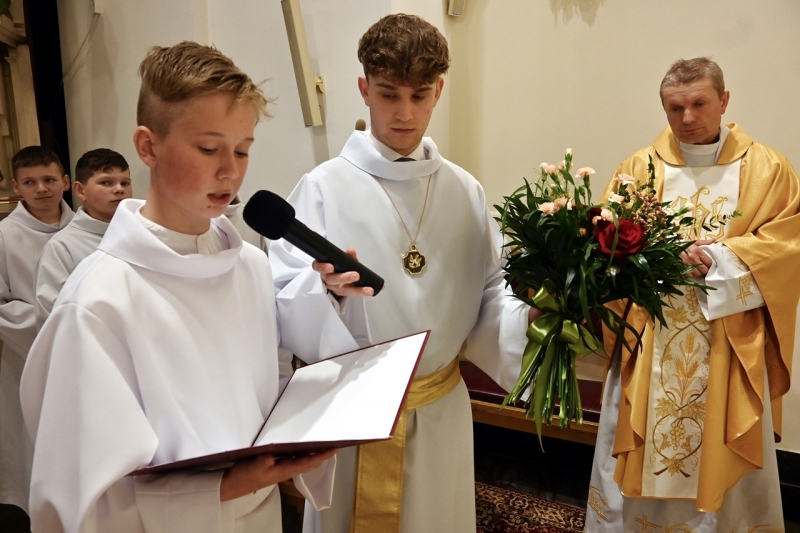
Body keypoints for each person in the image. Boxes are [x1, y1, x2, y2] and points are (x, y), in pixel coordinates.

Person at [20, 42, 336, 533]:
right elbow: (79, 494)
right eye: (208, 149)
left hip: (260, 514)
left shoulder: (250, 267)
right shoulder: (99, 299)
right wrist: (221, 487)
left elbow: (264, 387)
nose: (231, 170)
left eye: (243, 149)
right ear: (148, 147)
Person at [270, 14, 536, 533]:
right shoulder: (323, 187)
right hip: (355, 411)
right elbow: (282, 296)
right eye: (389, 94)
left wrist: (533, 318)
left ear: (439, 91)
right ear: (364, 89)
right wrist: (324, 291)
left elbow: (490, 290)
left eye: (419, 95)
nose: (404, 113)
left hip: (440, 404)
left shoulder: (464, 190)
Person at [586, 57, 799, 532]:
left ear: (724, 101)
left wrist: (722, 259)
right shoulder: (638, 169)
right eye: (674, 108)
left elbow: (788, 248)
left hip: (728, 346)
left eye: (699, 104)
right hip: (650, 340)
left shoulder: (767, 169)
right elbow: (605, 247)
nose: (687, 118)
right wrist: (651, 257)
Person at [0, 146, 72, 528]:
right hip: (27, 353)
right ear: (16, 187)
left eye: (49, 179)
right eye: (30, 182)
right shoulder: (4, 235)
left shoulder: (86, 229)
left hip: (86, 353)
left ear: (66, 181)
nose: (41, 189)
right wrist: (52, 328)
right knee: (36, 442)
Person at [34, 148, 132, 330]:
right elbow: (52, 316)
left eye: (125, 183)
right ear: (80, 190)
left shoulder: (142, 234)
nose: (119, 189)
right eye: (106, 182)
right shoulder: (62, 247)